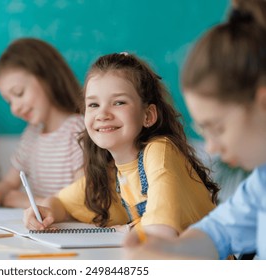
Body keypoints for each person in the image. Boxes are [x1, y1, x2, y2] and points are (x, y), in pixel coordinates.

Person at [124, 0, 266, 260]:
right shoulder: (262, 182)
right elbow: (218, 232)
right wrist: (170, 250)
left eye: (218, 127)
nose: (210, 146)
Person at [23, 52, 218, 239]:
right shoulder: (111, 173)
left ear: (148, 115)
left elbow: (160, 230)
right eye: (93, 105)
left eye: (118, 102)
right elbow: (61, 202)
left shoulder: (160, 151)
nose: (103, 114)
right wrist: (45, 210)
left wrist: (129, 229)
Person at [0, 38, 84, 209]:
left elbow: (83, 201)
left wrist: (27, 201)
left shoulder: (79, 130)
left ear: (48, 77)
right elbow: (9, 183)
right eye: (9, 101)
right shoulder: (32, 134)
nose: (15, 108)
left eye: (19, 93)